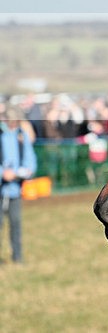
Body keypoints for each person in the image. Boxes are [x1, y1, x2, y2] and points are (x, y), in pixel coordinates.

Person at [0, 106, 38, 264]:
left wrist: (28, 171)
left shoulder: (22, 136)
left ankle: (17, 257)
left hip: (15, 189)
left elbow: (30, 159)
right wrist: (3, 173)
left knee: (15, 223)